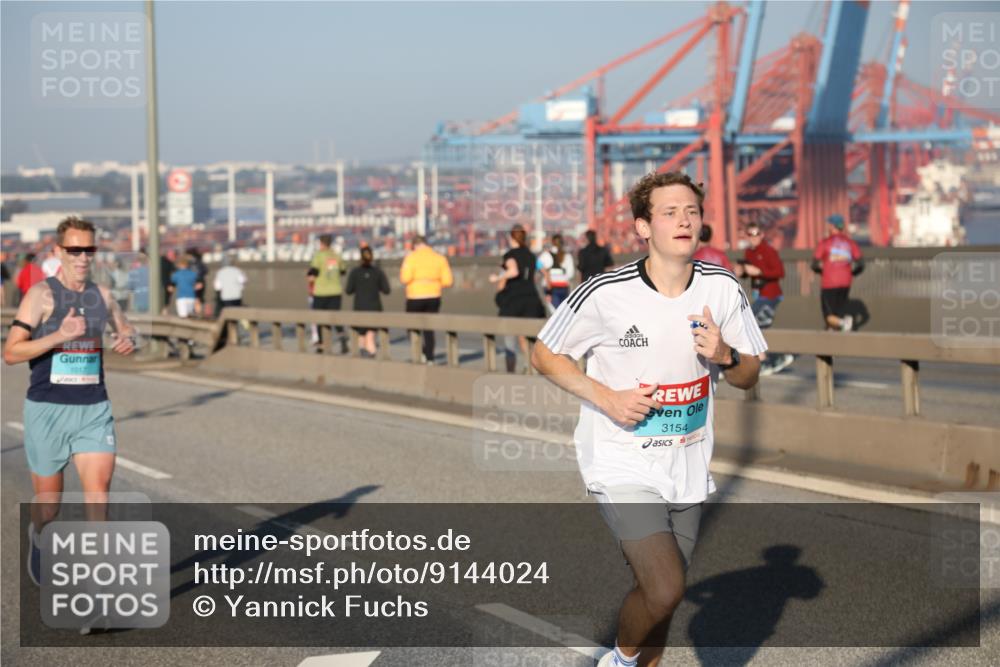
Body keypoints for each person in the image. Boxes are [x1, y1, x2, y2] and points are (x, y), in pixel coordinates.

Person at [531, 172, 765, 667]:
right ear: (643, 227)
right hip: (621, 462)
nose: (684, 220)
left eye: (692, 212)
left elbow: (749, 375)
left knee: (660, 597)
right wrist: (608, 397)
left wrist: (725, 354)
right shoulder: (605, 292)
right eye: (669, 212)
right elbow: (544, 354)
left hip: (687, 464)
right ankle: (615, 662)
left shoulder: (722, 288)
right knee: (664, 587)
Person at [3, 217, 137, 588]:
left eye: (88, 250)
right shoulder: (40, 296)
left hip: (93, 410)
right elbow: (11, 353)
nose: (82, 257)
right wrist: (58, 336)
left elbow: (124, 328)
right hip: (47, 410)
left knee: (99, 498)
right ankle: (39, 534)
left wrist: (128, 339)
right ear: (59, 252)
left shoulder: (103, 296)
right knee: (49, 507)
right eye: (74, 250)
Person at [735, 222, 792, 375]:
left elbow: (780, 272)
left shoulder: (768, 250)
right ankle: (767, 359)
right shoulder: (748, 252)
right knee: (754, 326)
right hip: (758, 295)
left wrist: (759, 271)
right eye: (750, 234)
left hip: (771, 295)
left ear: (762, 235)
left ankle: (765, 360)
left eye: (756, 234)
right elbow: (751, 273)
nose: (754, 238)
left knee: (752, 325)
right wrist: (743, 272)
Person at [489, 224, 546, 373]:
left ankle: (511, 373)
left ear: (511, 237)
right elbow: (535, 276)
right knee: (528, 337)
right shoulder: (531, 255)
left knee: (510, 340)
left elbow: (513, 271)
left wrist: (497, 277)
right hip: (531, 299)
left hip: (513, 300)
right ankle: (531, 368)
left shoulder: (510, 255)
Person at [400, 235, 453, 363]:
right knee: (429, 328)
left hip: (415, 297)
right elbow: (448, 281)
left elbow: (405, 278)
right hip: (434, 297)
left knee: (412, 327)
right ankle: (430, 358)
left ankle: (421, 352)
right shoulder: (439, 258)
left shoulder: (411, 258)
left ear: (414, 245)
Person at [812, 214, 864, 332]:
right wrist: (852, 274)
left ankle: (844, 322)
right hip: (846, 283)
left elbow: (814, 264)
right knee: (836, 313)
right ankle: (831, 342)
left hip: (829, 283)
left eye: (828, 224)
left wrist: (822, 272)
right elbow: (861, 264)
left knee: (828, 316)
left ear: (832, 226)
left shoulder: (825, 243)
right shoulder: (850, 243)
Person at [345, 246, 390, 357]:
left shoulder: (355, 272)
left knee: (361, 336)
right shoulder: (378, 272)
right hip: (374, 308)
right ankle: (371, 355)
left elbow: (348, 290)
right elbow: (386, 290)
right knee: (370, 336)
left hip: (360, 308)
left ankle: (363, 357)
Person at [307, 234, 348, 354]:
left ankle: (322, 344)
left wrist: (311, 279)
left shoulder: (319, 255)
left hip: (321, 292)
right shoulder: (336, 255)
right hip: (336, 291)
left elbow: (313, 272)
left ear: (321, 243)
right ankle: (342, 338)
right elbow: (343, 270)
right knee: (335, 318)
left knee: (319, 318)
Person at [538, 233, 576, 311]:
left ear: (552, 242)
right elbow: (571, 274)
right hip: (564, 287)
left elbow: (538, 265)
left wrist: (545, 273)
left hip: (550, 287)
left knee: (554, 312)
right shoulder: (567, 256)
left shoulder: (546, 255)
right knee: (562, 312)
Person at [189, 248, 208, 317]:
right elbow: (205, 271)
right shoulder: (200, 262)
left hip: (196, 282)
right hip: (200, 282)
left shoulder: (193, 263)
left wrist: (199, 282)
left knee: (196, 299)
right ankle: (198, 313)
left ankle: (198, 314)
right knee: (198, 298)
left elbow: (201, 272)